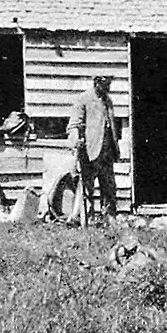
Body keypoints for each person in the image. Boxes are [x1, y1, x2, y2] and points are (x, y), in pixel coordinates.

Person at [66, 75, 121, 223]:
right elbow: (74, 125)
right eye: (105, 85)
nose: (108, 88)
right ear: (96, 83)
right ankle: (85, 218)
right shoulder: (83, 99)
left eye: (109, 84)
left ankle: (109, 218)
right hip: (89, 152)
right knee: (87, 188)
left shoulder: (108, 100)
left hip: (106, 152)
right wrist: (76, 140)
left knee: (109, 187)